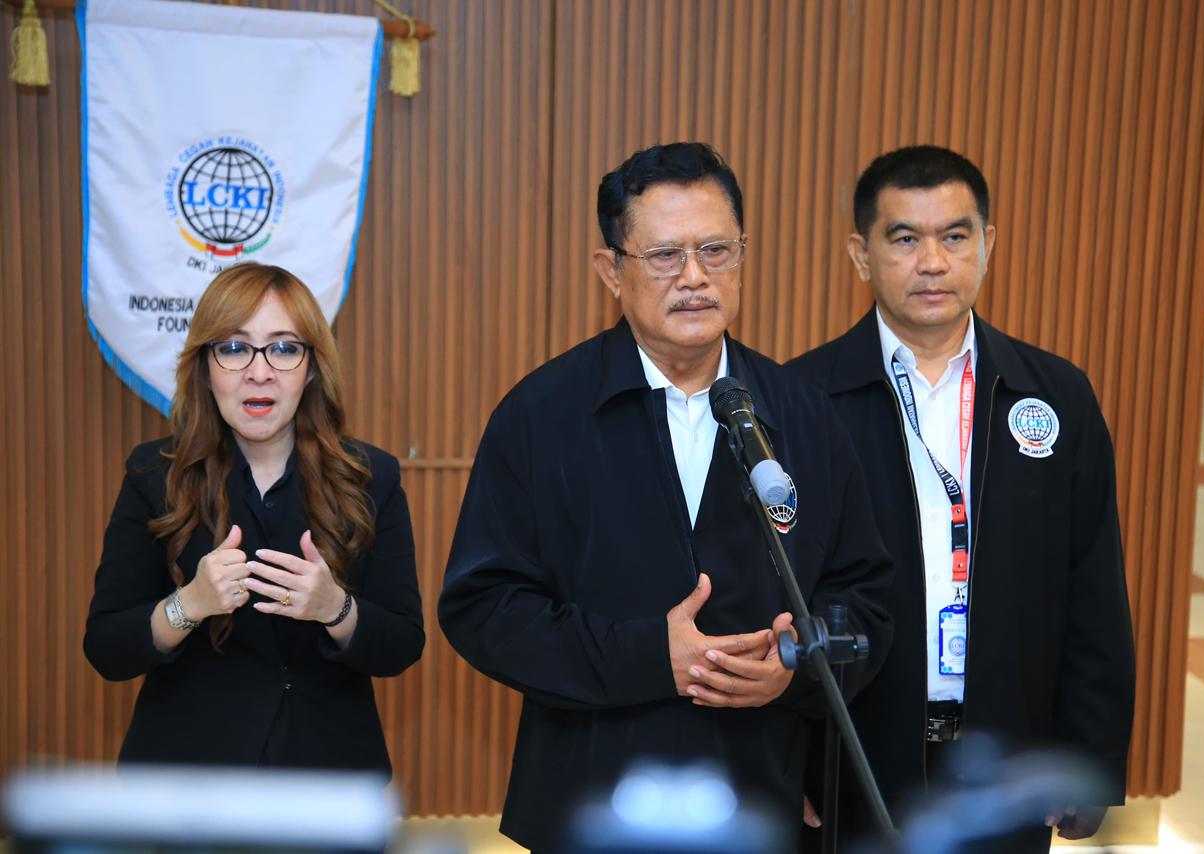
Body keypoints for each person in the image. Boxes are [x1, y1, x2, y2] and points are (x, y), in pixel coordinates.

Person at [438, 142, 893, 852]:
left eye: (716, 250)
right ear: (610, 271)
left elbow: (864, 597)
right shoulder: (542, 415)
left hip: (759, 798)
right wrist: (650, 655)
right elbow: (484, 608)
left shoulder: (803, 415)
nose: (694, 277)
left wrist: (796, 664)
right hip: (591, 803)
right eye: (663, 256)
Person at [788, 145, 1135, 851]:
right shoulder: (801, 399)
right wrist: (782, 758)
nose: (933, 262)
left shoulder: (1056, 395)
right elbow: (772, 594)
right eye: (904, 239)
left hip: (1008, 761)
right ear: (860, 254)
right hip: (851, 759)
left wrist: (1089, 756)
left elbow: (1093, 585)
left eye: (955, 236)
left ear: (988, 244)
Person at [84, 262, 425, 775]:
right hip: (187, 779)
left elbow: (402, 645)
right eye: (234, 347)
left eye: (284, 348)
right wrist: (189, 604)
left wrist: (335, 608)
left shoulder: (370, 476)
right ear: (205, 367)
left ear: (312, 368)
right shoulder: (154, 475)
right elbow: (107, 650)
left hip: (327, 776)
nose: (259, 371)